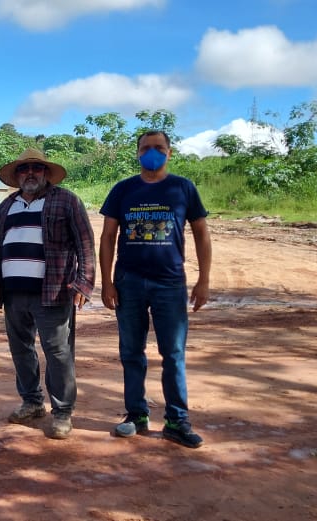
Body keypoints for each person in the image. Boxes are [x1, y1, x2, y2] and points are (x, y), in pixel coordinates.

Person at [99, 130, 213, 449]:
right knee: (131, 352)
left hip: (170, 283)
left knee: (173, 354)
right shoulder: (123, 189)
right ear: (137, 153)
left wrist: (204, 279)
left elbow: (201, 233)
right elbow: (108, 237)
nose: (152, 153)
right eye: (146, 148)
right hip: (129, 282)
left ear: (169, 153)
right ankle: (136, 415)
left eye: (159, 148)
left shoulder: (182, 188)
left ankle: (177, 420)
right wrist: (107, 282)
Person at [0, 148, 95, 439]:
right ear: (17, 175)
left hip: (53, 292)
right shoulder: (7, 207)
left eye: (36, 168)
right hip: (13, 292)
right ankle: (32, 401)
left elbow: (86, 244)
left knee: (58, 351)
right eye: (24, 169)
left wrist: (84, 283)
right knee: (21, 349)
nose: (30, 173)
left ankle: (63, 411)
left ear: (45, 173)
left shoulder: (66, 201)